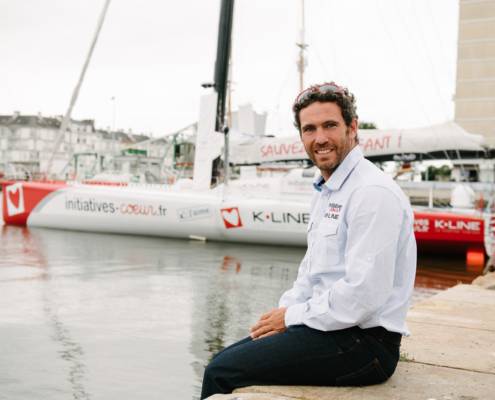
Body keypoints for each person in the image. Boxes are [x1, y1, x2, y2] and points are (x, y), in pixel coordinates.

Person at [200, 82, 417, 399]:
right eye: (309, 129)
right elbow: (311, 273)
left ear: (352, 128)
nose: (320, 138)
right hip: (328, 327)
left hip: (365, 344)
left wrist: (290, 317)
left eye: (330, 125)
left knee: (220, 372)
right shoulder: (327, 191)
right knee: (230, 357)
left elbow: (364, 294)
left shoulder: (371, 193)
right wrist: (284, 313)